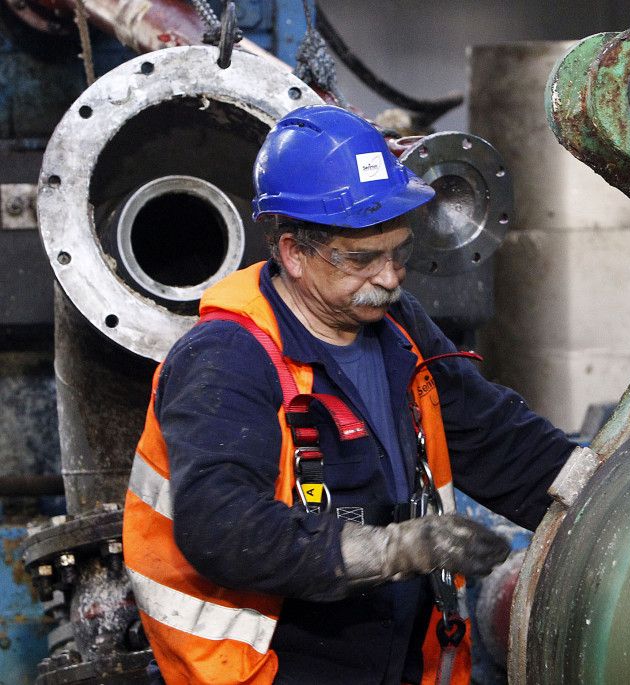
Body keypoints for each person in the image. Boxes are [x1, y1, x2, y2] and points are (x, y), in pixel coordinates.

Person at [121, 105, 578, 684]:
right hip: (265, 667)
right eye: (363, 259)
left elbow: (497, 441)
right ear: (292, 252)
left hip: (393, 658)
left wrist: (611, 495)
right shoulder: (226, 358)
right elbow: (221, 524)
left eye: (400, 253)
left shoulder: (400, 329)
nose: (390, 277)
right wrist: (394, 551)